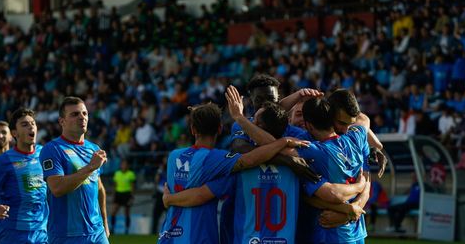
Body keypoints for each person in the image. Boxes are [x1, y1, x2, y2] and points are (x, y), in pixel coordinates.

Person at [163, 86, 366, 244]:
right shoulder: (307, 158)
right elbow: (363, 121)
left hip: (238, 238)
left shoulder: (306, 152)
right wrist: (356, 198)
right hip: (308, 235)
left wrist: (170, 198)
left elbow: (203, 193)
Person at [158, 102, 309, 244]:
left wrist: (169, 199)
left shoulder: (174, 156)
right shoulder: (218, 159)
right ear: (219, 129)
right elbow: (248, 160)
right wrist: (284, 142)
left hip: (168, 236)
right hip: (198, 237)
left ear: (192, 129)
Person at [296, 98, 372, 243]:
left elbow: (330, 194)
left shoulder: (311, 149)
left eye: (301, 115)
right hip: (356, 231)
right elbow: (364, 119)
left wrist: (350, 210)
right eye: (296, 114)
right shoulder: (356, 135)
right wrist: (352, 207)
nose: (345, 129)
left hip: (332, 233)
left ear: (308, 125)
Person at [40, 97, 109, 244]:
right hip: (66, 236)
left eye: (84, 113)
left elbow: (100, 188)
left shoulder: (94, 149)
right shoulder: (52, 149)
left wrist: (105, 223)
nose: (81, 117)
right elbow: (57, 188)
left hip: (97, 234)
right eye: (74, 114)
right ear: (61, 121)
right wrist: (90, 167)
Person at [0, 108, 48, 243]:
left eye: (33, 123)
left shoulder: (45, 153)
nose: (31, 126)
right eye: (24, 124)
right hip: (13, 234)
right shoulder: (4, 161)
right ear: (14, 133)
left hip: (41, 232)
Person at [111, 160, 136, 235]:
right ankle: (112, 228)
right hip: (118, 194)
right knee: (113, 212)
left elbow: (132, 186)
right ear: (121, 165)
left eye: (125, 164)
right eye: (123, 164)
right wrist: (113, 195)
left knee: (127, 213)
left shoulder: (131, 174)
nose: (124, 166)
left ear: (127, 166)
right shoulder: (117, 173)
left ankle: (126, 229)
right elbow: (115, 185)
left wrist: (132, 196)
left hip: (127, 194)